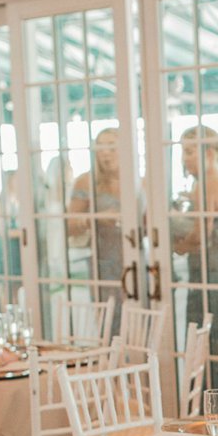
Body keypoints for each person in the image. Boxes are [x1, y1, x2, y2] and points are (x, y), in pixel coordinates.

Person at [172, 125, 218, 356]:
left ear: (209, 153)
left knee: (206, 335)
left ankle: (211, 390)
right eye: (183, 152)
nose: (184, 159)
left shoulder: (207, 182)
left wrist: (178, 246)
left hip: (209, 271)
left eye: (190, 152)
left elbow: (202, 234)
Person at [67, 127, 124, 325]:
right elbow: (69, 225)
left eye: (111, 146)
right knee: (108, 322)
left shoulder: (138, 181)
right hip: (103, 261)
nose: (105, 152)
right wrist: (96, 218)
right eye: (100, 147)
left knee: (139, 321)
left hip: (135, 260)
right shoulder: (86, 182)